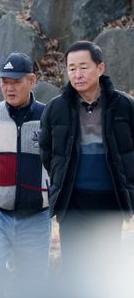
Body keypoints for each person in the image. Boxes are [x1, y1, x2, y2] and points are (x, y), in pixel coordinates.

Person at [40, 41, 134, 275]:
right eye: (72, 68)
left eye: (83, 67)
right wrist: (61, 176)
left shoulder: (124, 106)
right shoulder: (56, 108)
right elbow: (47, 151)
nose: (77, 74)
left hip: (111, 200)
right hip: (72, 201)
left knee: (106, 269)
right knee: (75, 270)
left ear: (100, 68)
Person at [0, 52, 50, 298]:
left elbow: (60, 160)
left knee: (34, 282)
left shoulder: (48, 116)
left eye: (16, 82)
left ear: (32, 80)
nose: (9, 88)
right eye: (4, 82)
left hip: (37, 215)